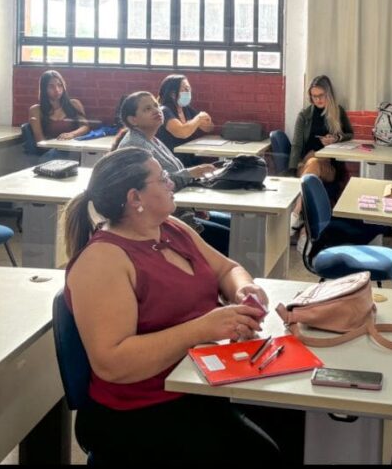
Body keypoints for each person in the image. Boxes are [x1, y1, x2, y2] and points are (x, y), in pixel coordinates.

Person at [63, 147, 299, 464]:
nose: (172, 182)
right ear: (136, 199)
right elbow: (112, 363)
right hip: (140, 411)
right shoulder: (102, 261)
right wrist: (201, 329)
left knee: (297, 421)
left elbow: (226, 269)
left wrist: (243, 289)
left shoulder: (171, 228)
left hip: (199, 381)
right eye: (162, 179)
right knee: (266, 455)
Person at [114, 92, 230, 253]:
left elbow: (168, 177)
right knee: (229, 237)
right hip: (158, 219)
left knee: (232, 223)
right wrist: (192, 173)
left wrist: (194, 205)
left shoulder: (152, 138)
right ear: (133, 120)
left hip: (178, 208)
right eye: (147, 109)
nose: (156, 110)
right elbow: (156, 187)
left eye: (156, 105)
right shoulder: (135, 145)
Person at [288, 75, 353, 181]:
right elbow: (296, 145)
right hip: (305, 162)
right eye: (314, 96)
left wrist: (336, 138)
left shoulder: (338, 111)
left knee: (314, 161)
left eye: (321, 95)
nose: (318, 99)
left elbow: (349, 134)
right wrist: (292, 169)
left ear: (329, 94)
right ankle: (301, 196)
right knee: (312, 162)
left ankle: (297, 197)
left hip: (329, 165)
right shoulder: (304, 115)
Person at [156, 74, 214, 164]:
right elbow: (182, 132)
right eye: (185, 89)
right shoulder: (164, 110)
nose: (189, 92)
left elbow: (209, 128)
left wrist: (206, 121)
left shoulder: (186, 108)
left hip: (188, 157)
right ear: (173, 94)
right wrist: (198, 119)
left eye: (189, 89)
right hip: (172, 160)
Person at [28, 70, 91, 143]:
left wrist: (72, 134)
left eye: (60, 85)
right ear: (44, 89)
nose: (57, 90)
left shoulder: (74, 104)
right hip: (48, 149)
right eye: (51, 86)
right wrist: (56, 147)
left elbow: (85, 127)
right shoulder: (36, 110)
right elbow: (40, 140)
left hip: (72, 148)